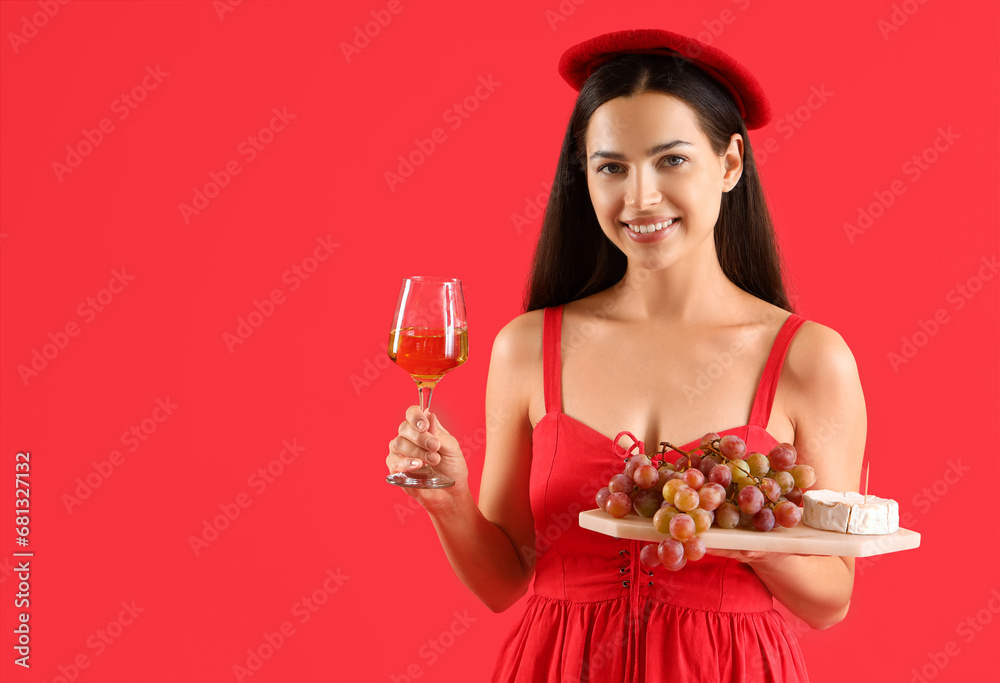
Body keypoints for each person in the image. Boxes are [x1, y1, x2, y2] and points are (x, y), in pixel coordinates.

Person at [385, 28, 866, 682]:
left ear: (728, 165)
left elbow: (832, 597)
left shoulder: (811, 358)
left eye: (671, 160)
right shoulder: (527, 346)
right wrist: (447, 497)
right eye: (612, 166)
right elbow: (504, 580)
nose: (639, 197)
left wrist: (746, 542)